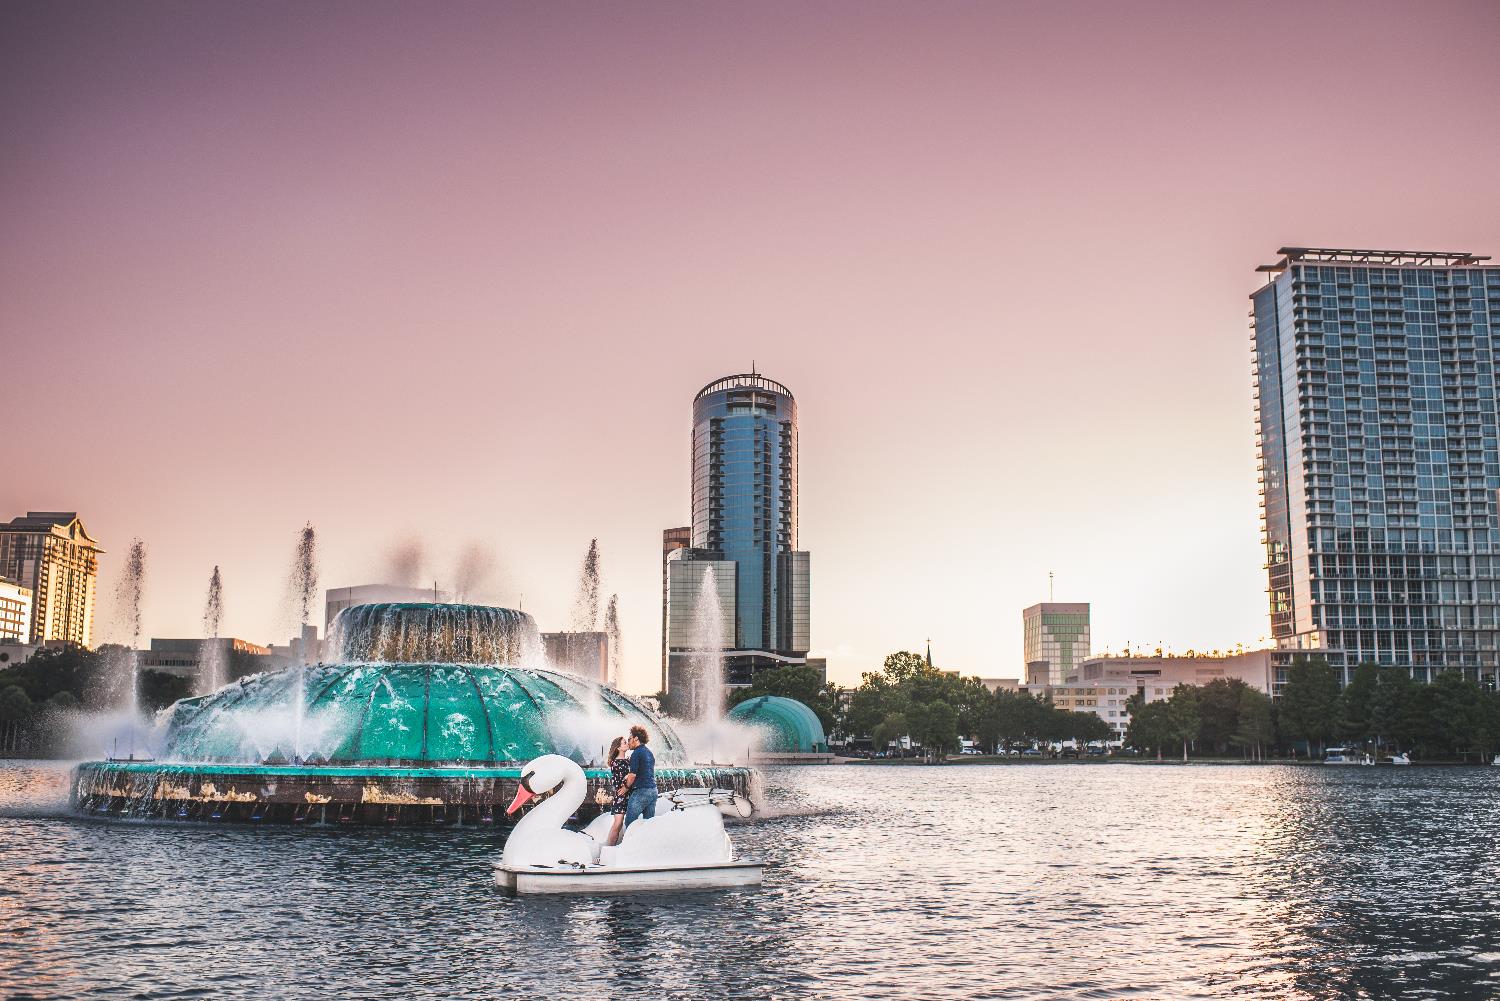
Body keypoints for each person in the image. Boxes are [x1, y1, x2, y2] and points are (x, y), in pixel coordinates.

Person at [620, 724, 657, 828]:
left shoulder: (636, 753)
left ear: (636, 738)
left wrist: (625, 788)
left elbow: (632, 775)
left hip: (641, 792)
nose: (628, 742)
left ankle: (629, 844)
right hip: (653, 791)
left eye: (629, 739)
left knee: (629, 823)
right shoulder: (649, 752)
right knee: (648, 824)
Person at [605, 735, 631, 846]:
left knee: (620, 823)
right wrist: (626, 785)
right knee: (618, 823)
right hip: (621, 795)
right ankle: (609, 848)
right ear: (618, 748)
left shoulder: (627, 760)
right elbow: (618, 782)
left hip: (628, 794)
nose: (627, 743)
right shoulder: (617, 763)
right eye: (624, 743)